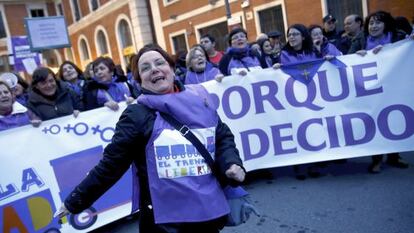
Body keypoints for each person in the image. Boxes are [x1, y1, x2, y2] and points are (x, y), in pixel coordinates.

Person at [54, 44, 246, 233]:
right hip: (167, 223)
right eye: (145, 68)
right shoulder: (136, 115)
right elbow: (111, 165)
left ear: (170, 68)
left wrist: (232, 163)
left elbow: (221, 136)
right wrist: (75, 201)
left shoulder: (199, 98)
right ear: (139, 81)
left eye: (159, 63)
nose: (154, 69)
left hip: (207, 212)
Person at [349, 11, 409, 173]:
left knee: (394, 121)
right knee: (375, 122)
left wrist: (392, 49)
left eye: (378, 23)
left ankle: (393, 156)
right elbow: (347, 59)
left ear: (386, 24)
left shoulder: (397, 37)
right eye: (371, 23)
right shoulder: (360, 40)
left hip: (393, 88)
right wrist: (356, 55)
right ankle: (376, 159)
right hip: (370, 92)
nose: (373, 26)